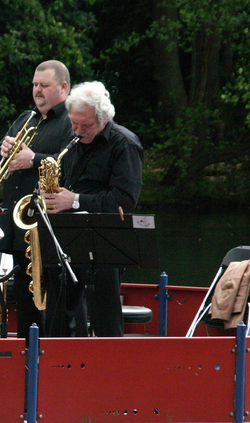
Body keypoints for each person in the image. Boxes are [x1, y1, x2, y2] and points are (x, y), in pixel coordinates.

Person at [43, 81, 144, 337]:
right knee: (60, 303)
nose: (76, 130)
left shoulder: (125, 144)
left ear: (102, 119)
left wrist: (74, 200)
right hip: (68, 233)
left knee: (105, 312)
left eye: (84, 125)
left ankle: (107, 364)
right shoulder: (74, 138)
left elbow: (123, 200)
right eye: (73, 123)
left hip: (106, 239)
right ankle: (58, 357)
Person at [0, 60, 72, 340]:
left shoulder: (71, 120)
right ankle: (26, 350)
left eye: (44, 85)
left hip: (48, 225)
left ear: (63, 87)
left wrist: (32, 159)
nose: (37, 90)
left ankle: (51, 353)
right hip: (19, 223)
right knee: (25, 296)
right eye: (35, 84)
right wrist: (3, 150)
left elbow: (71, 163)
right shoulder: (26, 118)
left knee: (50, 299)